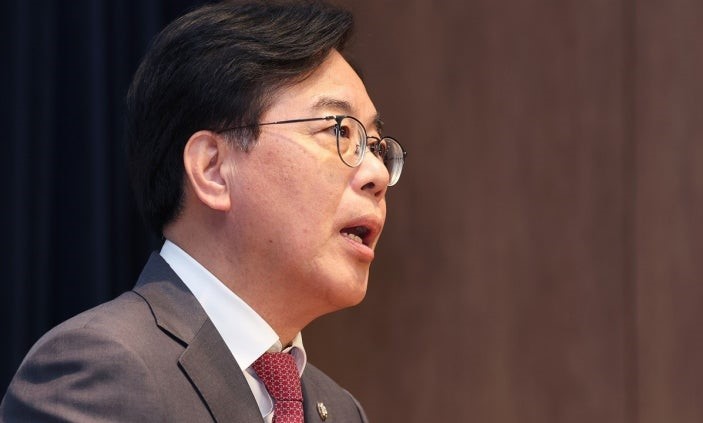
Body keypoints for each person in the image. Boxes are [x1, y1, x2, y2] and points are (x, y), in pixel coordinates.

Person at [0, 1, 405, 421]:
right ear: (212, 169)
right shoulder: (101, 371)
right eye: (339, 131)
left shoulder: (340, 410)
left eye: (377, 147)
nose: (376, 173)